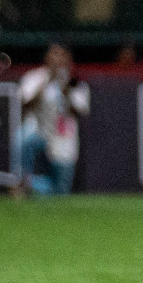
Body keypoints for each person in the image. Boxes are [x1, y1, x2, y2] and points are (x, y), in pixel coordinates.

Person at [15, 44, 89, 197]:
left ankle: (31, 186)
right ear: (47, 57)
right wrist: (48, 80)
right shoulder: (35, 77)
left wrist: (66, 90)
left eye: (62, 55)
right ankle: (21, 179)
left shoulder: (74, 81)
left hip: (63, 138)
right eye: (54, 54)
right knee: (21, 137)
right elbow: (25, 103)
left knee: (61, 190)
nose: (58, 59)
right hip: (39, 131)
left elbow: (80, 111)